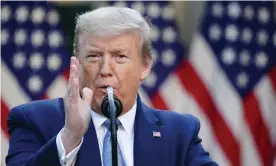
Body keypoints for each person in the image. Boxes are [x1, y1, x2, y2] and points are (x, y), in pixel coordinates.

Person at [6, 6, 218, 166]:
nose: (105, 69)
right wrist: (70, 136)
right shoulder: (32, 120)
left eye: (120, 56)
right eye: (94, 56)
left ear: (145, 67)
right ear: (77, 64)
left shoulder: (179, 133)